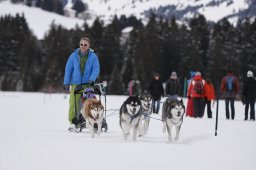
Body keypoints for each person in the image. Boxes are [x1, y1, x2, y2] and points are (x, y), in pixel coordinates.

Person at [63, 37, 100, 131]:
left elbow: (96, 69)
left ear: (89, 46)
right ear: (79, 45)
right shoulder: (73, 55)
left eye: (85, 44)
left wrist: (92, 79)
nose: (83, 46)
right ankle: (73, 123)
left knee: (89, 103)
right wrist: (66, 82)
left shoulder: (93, 56)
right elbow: (68, 69)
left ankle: (92, 121)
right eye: (81, 44)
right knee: (73, 103)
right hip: (75, 84)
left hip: (88, 84)